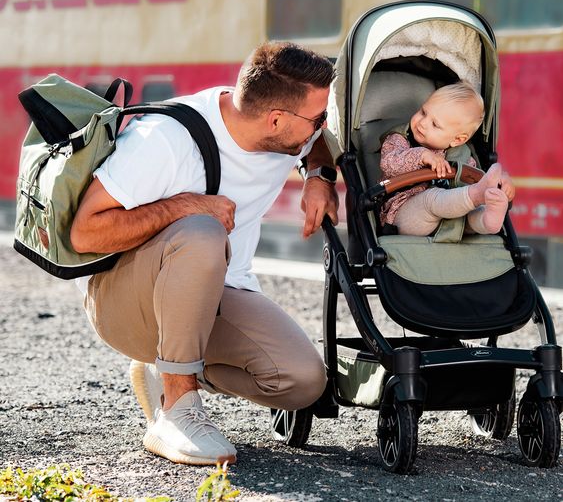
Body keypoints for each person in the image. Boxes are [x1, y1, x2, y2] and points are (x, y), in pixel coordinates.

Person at [70, 41, 339, 466]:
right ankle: (177, 411)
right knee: (202, 230)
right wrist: (186, 204)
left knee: (302, 381)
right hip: (127, 302)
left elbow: (317, 142)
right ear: (275, 119)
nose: (323, 126)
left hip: (211, 297)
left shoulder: (285, 133)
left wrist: (320, 176)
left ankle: (169, 370)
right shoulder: (166, 140)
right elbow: (84, 230)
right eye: (319, 118)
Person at [379, 81, 515, 235]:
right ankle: (475, 195)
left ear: (457, 140)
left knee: (472, 210)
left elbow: (475, 177)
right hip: (406, 212)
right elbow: (388, 164)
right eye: (423, 112)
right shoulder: (400, 139)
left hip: (450, 217)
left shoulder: (461, 154)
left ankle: (487, 220)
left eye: (435, 124)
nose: (422, 123)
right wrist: (421, 155)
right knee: (431, 199)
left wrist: (498, 184)